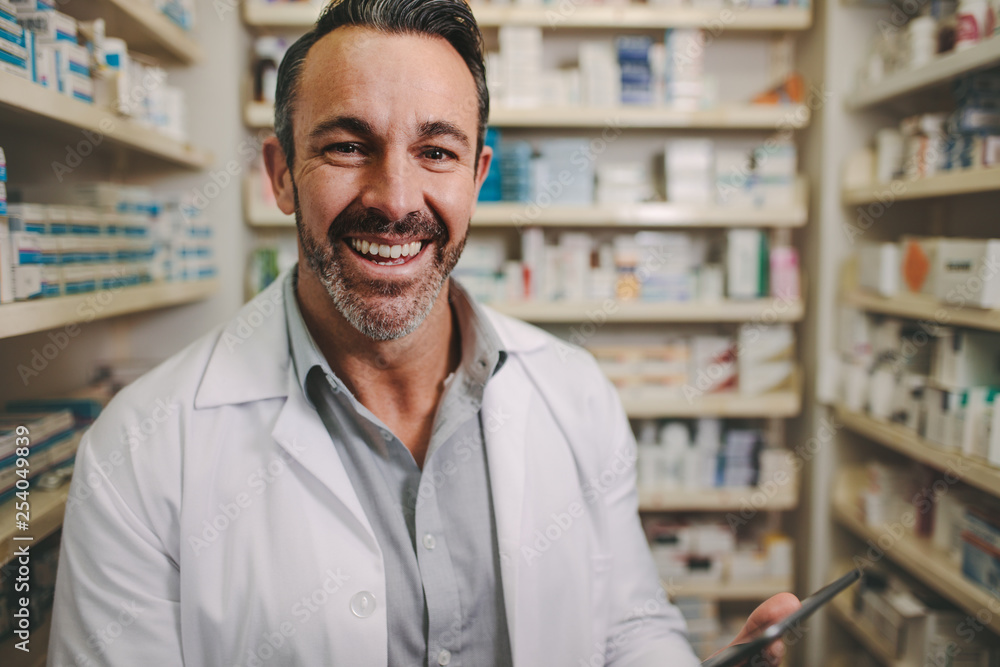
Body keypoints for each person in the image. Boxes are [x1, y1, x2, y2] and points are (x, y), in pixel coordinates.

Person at [47, 0, 800, 664]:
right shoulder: (139, 452)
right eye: (347, 145)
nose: (396, 198)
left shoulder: (576, 394)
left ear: (477, 176)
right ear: (280, 173)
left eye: (435, 151)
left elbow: (628, 622)